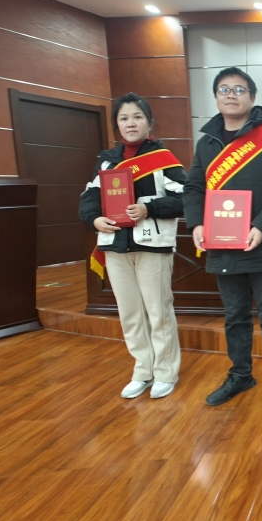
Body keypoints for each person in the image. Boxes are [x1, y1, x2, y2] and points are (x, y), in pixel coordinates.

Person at [183, 67, 262, 408]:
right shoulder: (207, 143)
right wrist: (196, 224)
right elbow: (194, 188)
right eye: (224, 89)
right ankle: (241, 375)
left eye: (238, 89)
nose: (231, 95)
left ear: (252, 97)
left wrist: (260, 226)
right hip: (222, 245)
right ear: (216, 96)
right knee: (235, 315)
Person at [79, 92, 186, 400]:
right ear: (117, 125)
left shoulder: (163, 159)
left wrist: (148, 208)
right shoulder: (107, 161)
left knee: (158, 311)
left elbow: (186, 197)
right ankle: (143, 370)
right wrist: (94, 219)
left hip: (152, 246)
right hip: (115, 246)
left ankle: (165, 372)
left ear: (149, 122)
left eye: (137, 117)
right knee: (129, 313)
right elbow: (89, 197)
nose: (131, 123)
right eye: (124, 118)